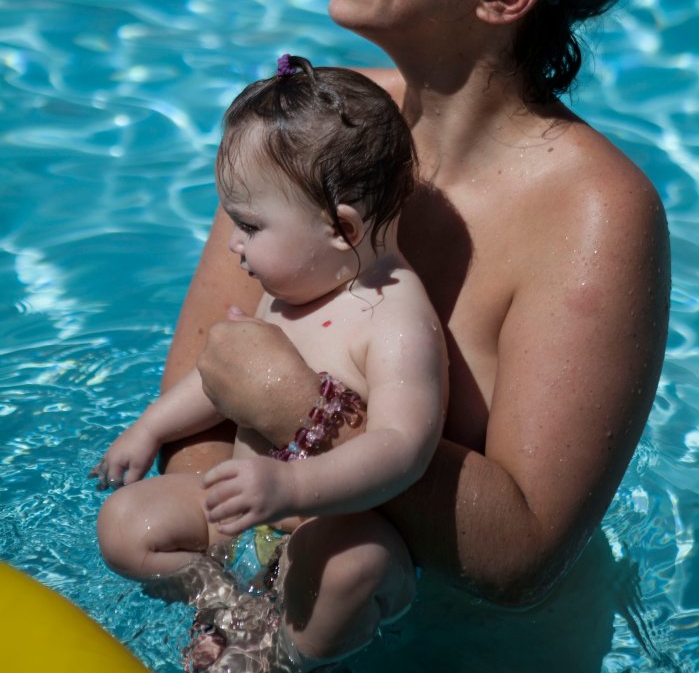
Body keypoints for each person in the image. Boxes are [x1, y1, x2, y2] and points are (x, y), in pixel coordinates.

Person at [160, 0, 677, 667]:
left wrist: (295, 406)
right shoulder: (312, 131)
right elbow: (194, 418)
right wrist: (234, 614)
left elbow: (519, 555)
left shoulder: (594, 215)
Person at [91, 56, 448, 671]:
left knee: (354, 566)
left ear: (341, 228)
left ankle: (279, 656)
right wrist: (152, 425)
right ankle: (225, 608)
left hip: (328, 527)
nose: (234, 244)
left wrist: (292, 485)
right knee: (127, 524)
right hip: (243, 520)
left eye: (249, 225)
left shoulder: (396, 321)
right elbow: (225, 385)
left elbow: (401, 447)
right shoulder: (296, 287)